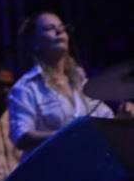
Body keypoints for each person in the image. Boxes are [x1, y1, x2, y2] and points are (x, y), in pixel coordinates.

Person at [9, 11, 113, 153]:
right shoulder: (26, 87)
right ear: (35, 43)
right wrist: (64, 136)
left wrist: (123, 115)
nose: (59, 31)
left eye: (62, 27)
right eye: (49, 29)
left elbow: (104, 116)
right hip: (51, 168)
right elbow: (21, 136)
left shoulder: (80, 79)